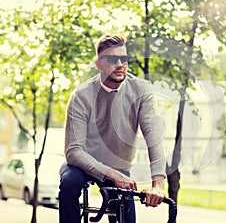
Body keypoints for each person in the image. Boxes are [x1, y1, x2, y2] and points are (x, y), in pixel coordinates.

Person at [58, 33, 166, 223]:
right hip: (83, 165)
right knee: (68, 183)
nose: (119, 64)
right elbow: (73, 151)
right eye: (112, 59)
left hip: (120, 166)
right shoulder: (81, 96)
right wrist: (109, 173)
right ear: (99, 64)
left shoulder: (141, 90)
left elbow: (153, 137)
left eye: (123, 59)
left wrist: (158, 183)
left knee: (126, 215)